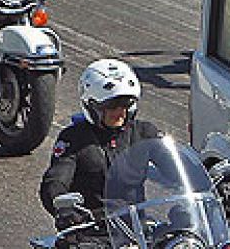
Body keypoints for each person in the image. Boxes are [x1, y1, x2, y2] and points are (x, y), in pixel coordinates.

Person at [41, 59, 162, 238]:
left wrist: (205, 180)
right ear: (92, 106)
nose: (119, 112)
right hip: (90, 231)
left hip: (138, 230)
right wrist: (64, 207)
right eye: (111, 106)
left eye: (125, 104)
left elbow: (176, 167)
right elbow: (55, 181)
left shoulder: (145, 133)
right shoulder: (73, 139)